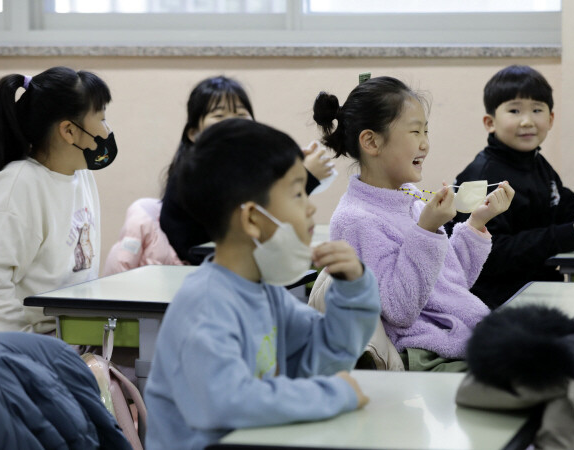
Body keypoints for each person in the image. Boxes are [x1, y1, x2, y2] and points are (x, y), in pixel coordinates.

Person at [144, 118, 380, 449]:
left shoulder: (266, 292)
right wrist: (334, 394)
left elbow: (324, 357)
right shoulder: (206, 303)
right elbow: (228, 401)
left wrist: (353, 290)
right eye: (298, 192)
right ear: (253, 219)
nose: (310, 206)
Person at [312, 76, 514, 370]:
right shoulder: (355, 220)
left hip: (458, 337)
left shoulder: (410, 199)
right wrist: (427, 230)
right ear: (371, 141)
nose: (425, 143)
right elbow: (400, 310)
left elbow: (450, 286)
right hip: (426, 352)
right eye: (415, 131)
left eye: (426, 131)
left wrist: (476, 224)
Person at [448, 65, 574, 309]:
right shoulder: (481, 177)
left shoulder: (538, 164)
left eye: (537, 110)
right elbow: (489, 255)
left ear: (550, 119)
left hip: (540, 290)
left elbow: (567, 212)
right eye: (515, 110)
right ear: (490, 122)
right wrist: (559, 238)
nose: (527, 121)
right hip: (493, 304)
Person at [160, 76, 335, 264]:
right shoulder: (194, 175)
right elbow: (262, 215)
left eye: (241, 114)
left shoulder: (244, 167)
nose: (233, 123)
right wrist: (305, 178)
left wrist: (292, 168)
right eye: (219, 116)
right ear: (194, 133)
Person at [0, 66, 114, 333]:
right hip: (29, 351)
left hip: (71, 338)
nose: (107, 130)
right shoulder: (18, 186)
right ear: (69, 131)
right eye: (102, 118)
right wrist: (33, 348)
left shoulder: (81, 176)